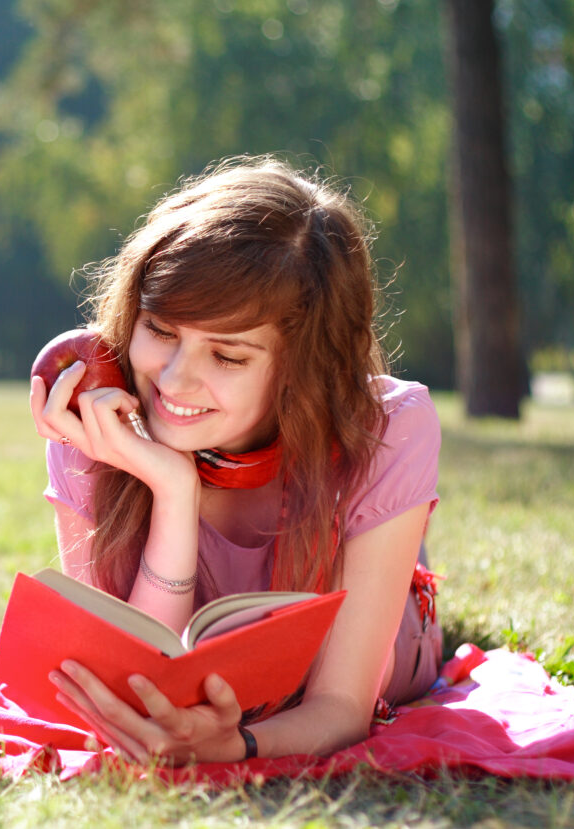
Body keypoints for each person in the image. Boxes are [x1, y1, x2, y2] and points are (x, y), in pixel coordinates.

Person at [28, 156, 442, 766]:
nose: (173, 380)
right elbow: (134, 684)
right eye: (162, 329)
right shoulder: (94, 426)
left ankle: (403, 547)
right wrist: (172, 491)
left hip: (382, 627)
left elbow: (341, 708)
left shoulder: (388, 425)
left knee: (381, 588)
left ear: (306, 367)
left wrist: (239, 744)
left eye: (228, 357)